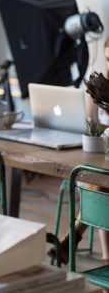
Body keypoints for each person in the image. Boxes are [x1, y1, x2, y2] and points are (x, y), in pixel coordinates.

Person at [48, 38, 109, 268]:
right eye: (108, 59)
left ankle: (74, 238)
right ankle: (104, 256)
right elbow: (89, 125)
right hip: (100, 159)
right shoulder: (100, 87)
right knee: (99, 179)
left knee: (101, 181)